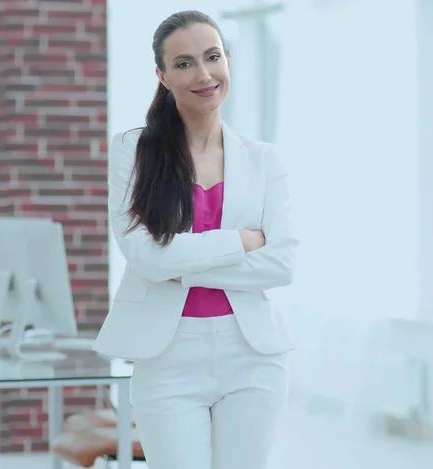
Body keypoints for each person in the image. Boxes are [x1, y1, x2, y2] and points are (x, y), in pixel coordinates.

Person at [93, 9, 298, 469]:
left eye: (213, 57)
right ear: (162, 76)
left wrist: (178, 262)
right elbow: (143, 256)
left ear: (228, 61)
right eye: (184, 63)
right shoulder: (134, 150)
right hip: (167, 356)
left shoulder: (266, 160)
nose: (203, 74)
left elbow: (281, 264)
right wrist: (239, 242)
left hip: (253, 356)